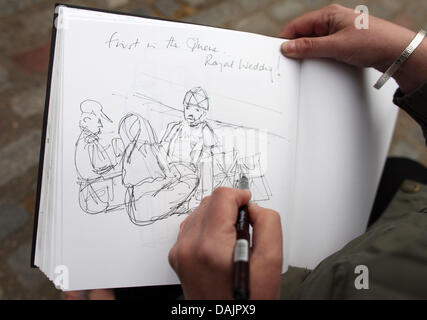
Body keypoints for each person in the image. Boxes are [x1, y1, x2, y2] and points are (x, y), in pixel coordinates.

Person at [65, 4, 427, 300]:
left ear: (202, 111)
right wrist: (411, 54)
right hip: (405, 212)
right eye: (187, 108)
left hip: (271, 280)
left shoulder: (204, 136)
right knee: (398, 171)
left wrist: (224, 306)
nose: (190, 113)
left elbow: (200, 167)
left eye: (196, 109)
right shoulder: (171, 131)